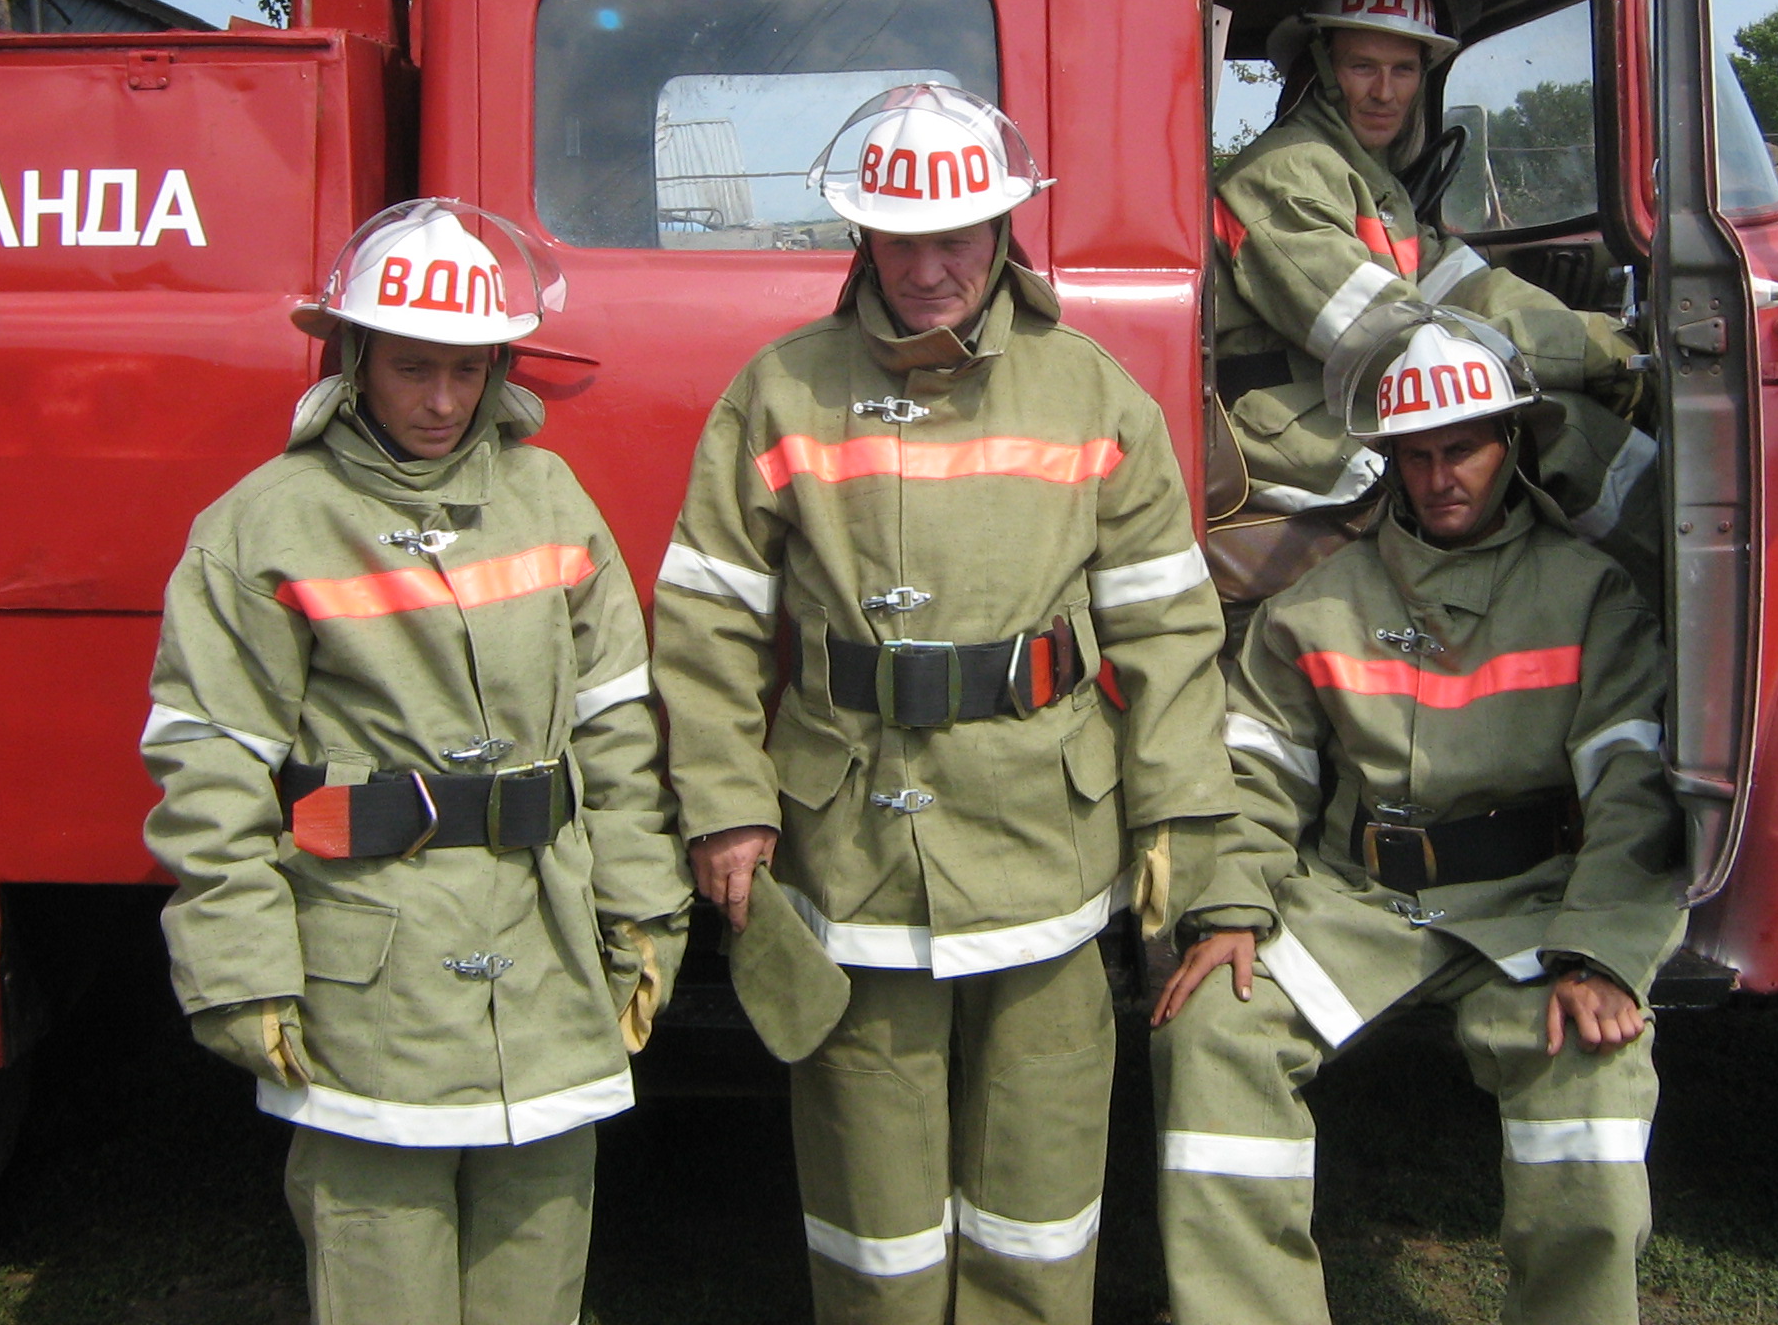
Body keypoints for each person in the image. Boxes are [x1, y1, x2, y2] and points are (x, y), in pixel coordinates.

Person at [652, 84, 1235, 1325]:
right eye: (901, 238)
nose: (930, 267)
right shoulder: (778, 391)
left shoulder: (1091, 395)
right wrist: (724, 807)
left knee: (1042, 1184)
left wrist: (1175, 819)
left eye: (956, 237)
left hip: (1044, 838)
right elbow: (702, 621)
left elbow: (1170, 627)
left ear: (1004, 232)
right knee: (874, 1203)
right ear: (861, 237)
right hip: (848, 839)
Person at [141, 199, 691, 1325]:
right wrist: (241, 971)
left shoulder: (550, 501)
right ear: (352, 358)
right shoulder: (264, 526)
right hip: (369, 990)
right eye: (412, 370)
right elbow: (209, 773)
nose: (443, 402)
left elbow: (617, 737)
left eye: (468, 370)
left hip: (546, 971)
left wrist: (646, 915)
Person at [1151, 310, 1685, 1325]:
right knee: (1213, 1031)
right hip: (1355, 903)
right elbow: (1255, 775)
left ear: (1511, 442)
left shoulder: (1590, 595)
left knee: (1593, 1078)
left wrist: (1602, 952)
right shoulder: (1318, 604)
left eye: (1466, 448)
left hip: (1532, 910)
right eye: (1419, 453)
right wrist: (1227, 910)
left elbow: (1631, 790)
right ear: (1389, 458)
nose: (1443, 476)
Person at [1211, 0, 1655, 586]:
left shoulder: (1369, 178)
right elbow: (1390, 339)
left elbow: (1465, 284)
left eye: (1404, 69)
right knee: (1560, 430)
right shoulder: (1281, 175)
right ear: (1322, 69)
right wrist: (1582, 355)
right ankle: (1670, 589)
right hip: (1303, 437)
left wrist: (1595, 337)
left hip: (1341, 405)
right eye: (1363, 66)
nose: (1385, 91)